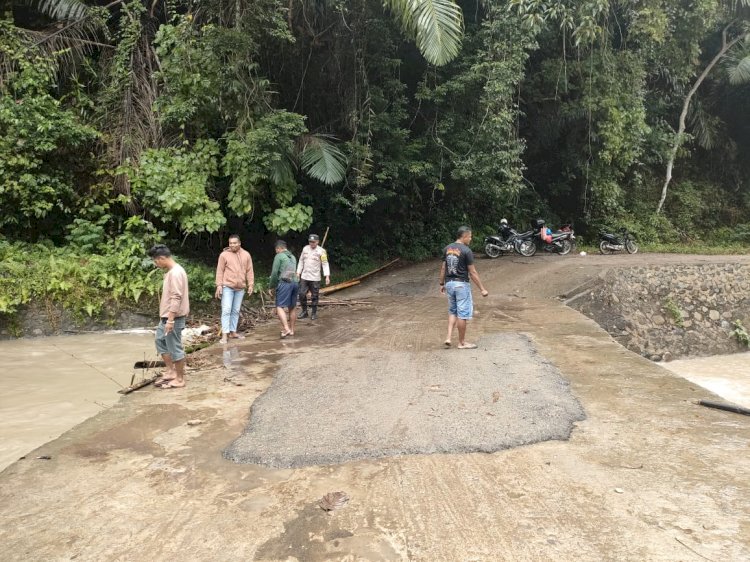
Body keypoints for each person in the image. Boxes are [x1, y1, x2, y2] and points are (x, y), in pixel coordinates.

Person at [439, 226, 489, 349]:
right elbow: (472, 272)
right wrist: (482, 288)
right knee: (462, 314)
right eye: (470, 236)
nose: (471, 239)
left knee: (452, 311)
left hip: (449, 283)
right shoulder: (466, 251)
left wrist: (441, 284)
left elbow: (443, 268)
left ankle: (449, 337)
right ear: (464, 236)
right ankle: (462, 343)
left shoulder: (447, 248)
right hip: (461, 284)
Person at [148, 244, 190, 389]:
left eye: (155, 261)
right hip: (166, 318)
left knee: (174, 347)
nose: (156, 264)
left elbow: (176, 297)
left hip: (173, 318)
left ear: (161, 258)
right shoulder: (171, 272)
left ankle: (180, 379)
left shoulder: (176, 273)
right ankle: (171, 371)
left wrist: (171, 319)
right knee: (160, 340)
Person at [215, 234, 255, 344]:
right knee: (226, 310)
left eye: (234, 243)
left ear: (239, 243)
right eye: (230, 243)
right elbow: (219, 271)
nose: (232, 245)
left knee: (236, 310)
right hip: (227, 286)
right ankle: (225, 335)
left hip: (240, 287)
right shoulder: (224, 255)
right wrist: (219, 285)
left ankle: (233, 332)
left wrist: (251, 284)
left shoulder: (246, 255)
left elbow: (249, 271)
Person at [296, 233, 330, 321]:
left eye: (313, 242)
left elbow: (325, 264)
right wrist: (298, 272)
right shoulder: (305, 249)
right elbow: (301, 261)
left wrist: (327, 276)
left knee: (314, 296)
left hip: (315, 278)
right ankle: (304, 311)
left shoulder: (321, 251)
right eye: (310, 242)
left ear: (317, 242)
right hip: (305, 276)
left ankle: (314, 313)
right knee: (301, 294)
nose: (312, 243)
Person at [269, 240, 299, 338]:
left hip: (285, 283)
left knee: (279, 306)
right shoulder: (293, 257)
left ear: (279, 248)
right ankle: (292, 330)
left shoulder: (279, 256)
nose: (276, 252)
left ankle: (286, 328)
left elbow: (274, 273)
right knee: (292, 307)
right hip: (295, 283)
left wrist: (271, 286)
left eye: (276, 250)